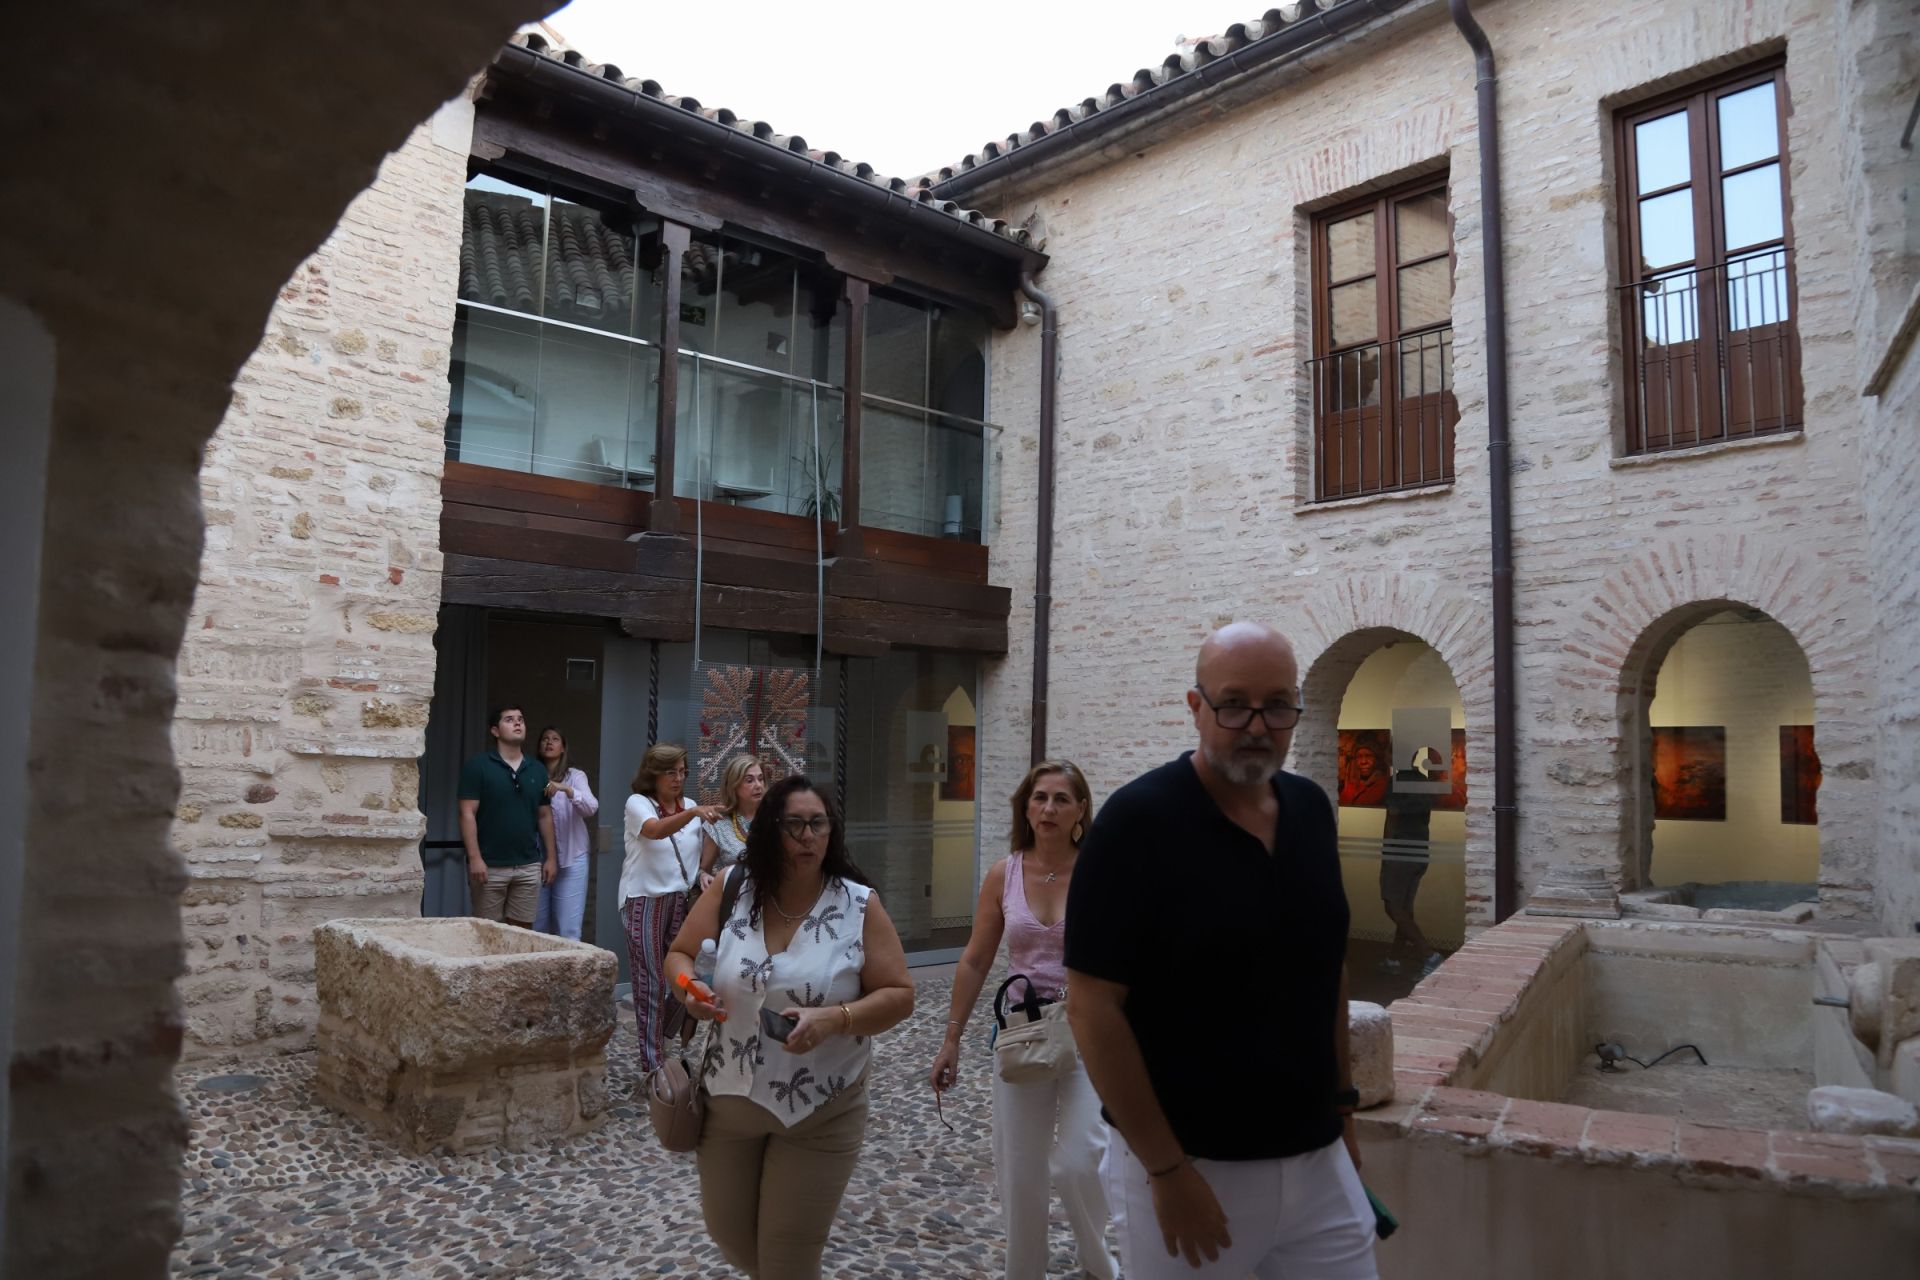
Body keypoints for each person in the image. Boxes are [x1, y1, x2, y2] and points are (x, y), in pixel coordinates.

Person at [1065, 622, 1377, 1279]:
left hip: (1317, 1159)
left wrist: (1342, 1109)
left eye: (1278, 704)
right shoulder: (1137, 823)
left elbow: (1326, 967)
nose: (1258, 725)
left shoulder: (1312, 810)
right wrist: (1167, 1170)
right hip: (1194, 1167)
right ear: (1195, 705)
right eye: (1234, 703)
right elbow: (1093, 1008)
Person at [667, 775, 915, 1280]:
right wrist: (691, 990)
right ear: (770, 830)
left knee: (788, 1256)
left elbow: (899, 996)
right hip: (727, 1101)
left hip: (820, 1107)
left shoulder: (858, 904)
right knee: (730, 1234)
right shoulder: (733, 887)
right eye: (795, 824)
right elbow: (680, 954)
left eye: (818, 824)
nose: (808, 836)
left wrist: (835, 1019)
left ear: (832, 831)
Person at [928, 759, 1118, 1280]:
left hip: (1089, 1032)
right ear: (1026, 807)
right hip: (1023, 1029)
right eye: (1039, 798)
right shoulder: (1004, 873)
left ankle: (1098, 1262)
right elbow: (974, 959)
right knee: (1021, 1171)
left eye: (1061, 798)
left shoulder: (1103, 871)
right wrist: (952, 1039)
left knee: (1084, 1158)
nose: (1048, 808)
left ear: (1081, 809)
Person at [621, 744, 723, 1074]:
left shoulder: (690, 805)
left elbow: (697, 851)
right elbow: (654, 831)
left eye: (682, 772)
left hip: (679, 899)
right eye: (671, 772)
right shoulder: (639, 804)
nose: (679, 778)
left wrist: (704, 873)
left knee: (684, 976)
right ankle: (653, 1066)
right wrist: (692, 814)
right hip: (644, 901)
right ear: (654, 773)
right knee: (650, 981)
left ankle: (662, 1034)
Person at [456, 705, 558, 930]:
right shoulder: (478, 766)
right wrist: (475, 858)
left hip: (528, 864)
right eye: (510, 720)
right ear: (495, 731)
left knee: (523, 934)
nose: (518, 723)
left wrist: (551, 857)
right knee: (487, 933)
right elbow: (466, 813)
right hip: (489, 865)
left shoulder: (537, 769)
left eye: (521, 719)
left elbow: (544, 816)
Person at [1380, 745, 1442, 977]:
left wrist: (1386, 850)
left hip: (1399, 852)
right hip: (1418, 851)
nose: (1385, 754)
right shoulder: (1423, 781)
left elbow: (1392, 817)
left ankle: (1429, 955)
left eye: (1389, 750)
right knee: (1404, 908)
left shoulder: (1397, 781)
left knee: (1393, 905)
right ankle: (1394, 958)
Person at [532, 726, 598, 940]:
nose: (549, 742)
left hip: (572, 858)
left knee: (568, 928)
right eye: (544, 739)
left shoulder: (575, 776)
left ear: (563, 748)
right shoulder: (530, 775)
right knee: (536, 926)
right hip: (535, 858)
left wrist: (566, 789)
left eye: (555, 739)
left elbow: (590, 807)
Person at [701, 755, 766, 888]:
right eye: (749, 780)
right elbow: (702, 869)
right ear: (734, 786)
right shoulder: (718, 823)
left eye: (761, 779)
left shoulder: (776, 817)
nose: (758, 785)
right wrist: (703, 876)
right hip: (736, 900)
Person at [1338, 743, 1388, 808]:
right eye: (1359, 757)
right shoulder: (1350, 786)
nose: (1363, 761)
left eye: (1368, 756)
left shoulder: (1384, 787)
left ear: (1377, 760)